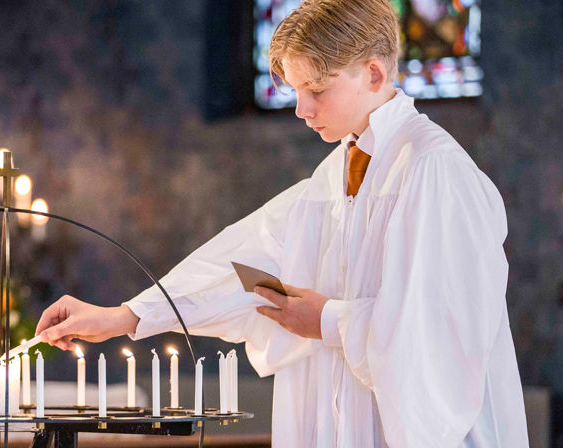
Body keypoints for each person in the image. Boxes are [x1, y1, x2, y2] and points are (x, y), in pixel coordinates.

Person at [35, 0, 529, 446]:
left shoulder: (433, 168)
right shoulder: (335, 174)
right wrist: (125, 316)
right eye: (295, 90)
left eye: (316, 89)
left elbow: (441, 333)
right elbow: (241, 265)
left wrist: (327, 320)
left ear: (374, 74)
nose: (301, 109)